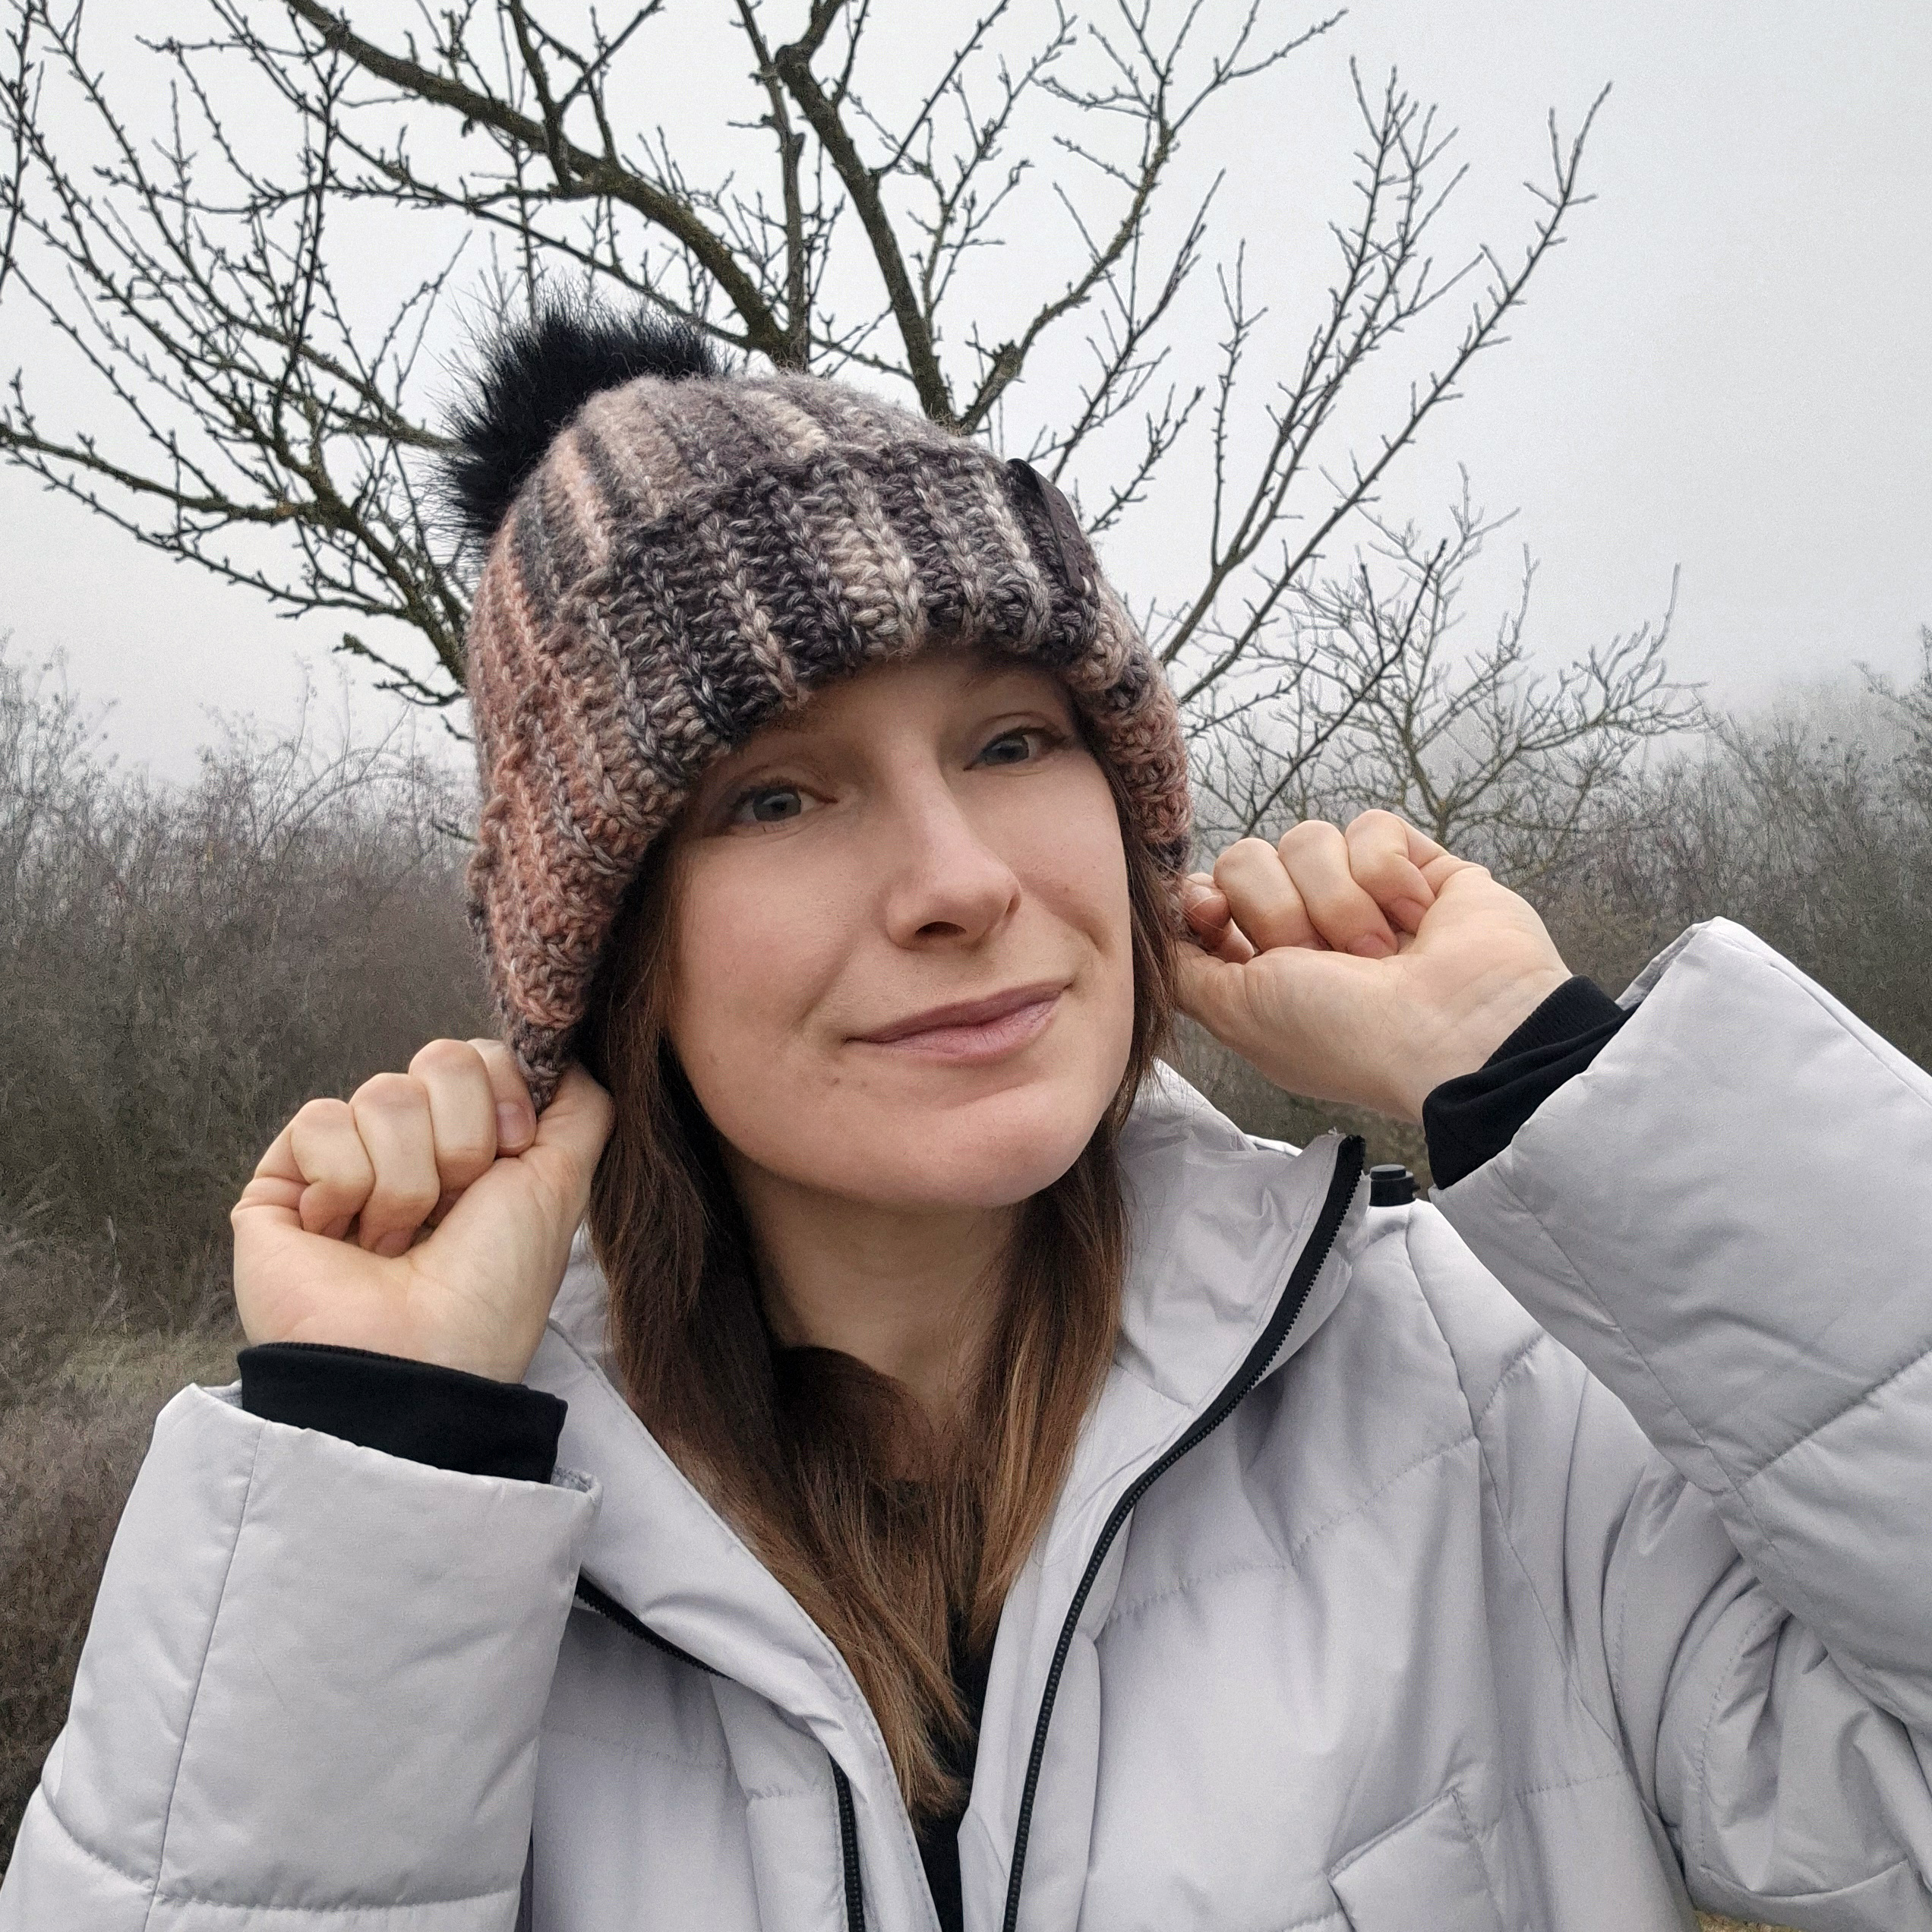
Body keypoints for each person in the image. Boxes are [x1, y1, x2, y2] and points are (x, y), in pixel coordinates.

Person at [5, 309, 1929, 1932]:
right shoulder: (448, 1544)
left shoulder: (1484, 1406)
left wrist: (1552, 1076)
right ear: (609, 951)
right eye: (776, 795)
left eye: (1014, 742)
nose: (959, 879)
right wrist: (376, 1450)